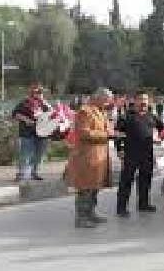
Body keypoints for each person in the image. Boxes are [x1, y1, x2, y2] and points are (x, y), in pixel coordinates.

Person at [67, 87, 116, 228]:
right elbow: (84, 133)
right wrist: (107, 135)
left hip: (99, 157)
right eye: (106, 100)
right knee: (85, 188)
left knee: (94, 187)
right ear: (98, 98)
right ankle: (81, 218)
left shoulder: (101, 111)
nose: (107, 104)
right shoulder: (85, 111)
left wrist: (111, 131)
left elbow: (106, 128)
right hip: (87, 157)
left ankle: (91, 213)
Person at [115, 91, 163, 217]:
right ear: (135, 101)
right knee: (126, 181)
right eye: (141, 99)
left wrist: (160, 137)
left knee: (145, 179)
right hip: (130, 154)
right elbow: (118, 135)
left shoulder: (151, 116)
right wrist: (119, 150)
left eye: (145, 99)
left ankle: (143, 204)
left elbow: (162, 128)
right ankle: (121, 208)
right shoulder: (126, 117)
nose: (143, 102)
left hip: (147, 153)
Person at [11, 83, 52, 181]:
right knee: (26, 154)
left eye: (41, 92)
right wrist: (26, 120)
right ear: (32, 92)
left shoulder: (44, 104)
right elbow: (15, 114)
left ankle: (34, 172)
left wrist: (45, 103)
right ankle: (22, 174)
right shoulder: (25, 103)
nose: (39, 94)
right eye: (37, 92)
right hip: (27, 133)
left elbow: (52, 114)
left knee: (39, 154)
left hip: (42, 133)